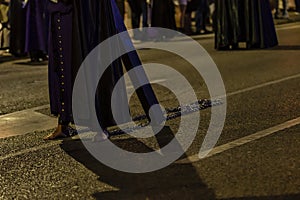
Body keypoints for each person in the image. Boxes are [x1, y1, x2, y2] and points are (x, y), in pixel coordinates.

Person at [44, 0, 162, 140]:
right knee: (62, 62)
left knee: (87, 60)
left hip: (86, 10)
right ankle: (63, 122)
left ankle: (99, 124)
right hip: (62, 9)